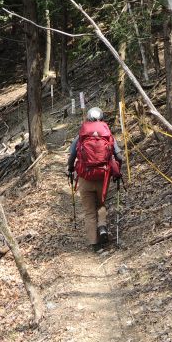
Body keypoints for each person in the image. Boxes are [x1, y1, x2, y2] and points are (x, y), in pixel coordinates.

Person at [67, 107, 123, 251]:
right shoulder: (107, 135)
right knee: (101, 204)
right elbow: (119, 157)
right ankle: (102, 226)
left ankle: (94, 244)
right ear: (102, 118)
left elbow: (72, 157)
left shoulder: (81, 136)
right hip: (103, 177)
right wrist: (117, 172)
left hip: (85, 177)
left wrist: (70, 169)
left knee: (89, 211)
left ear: (88, 118)